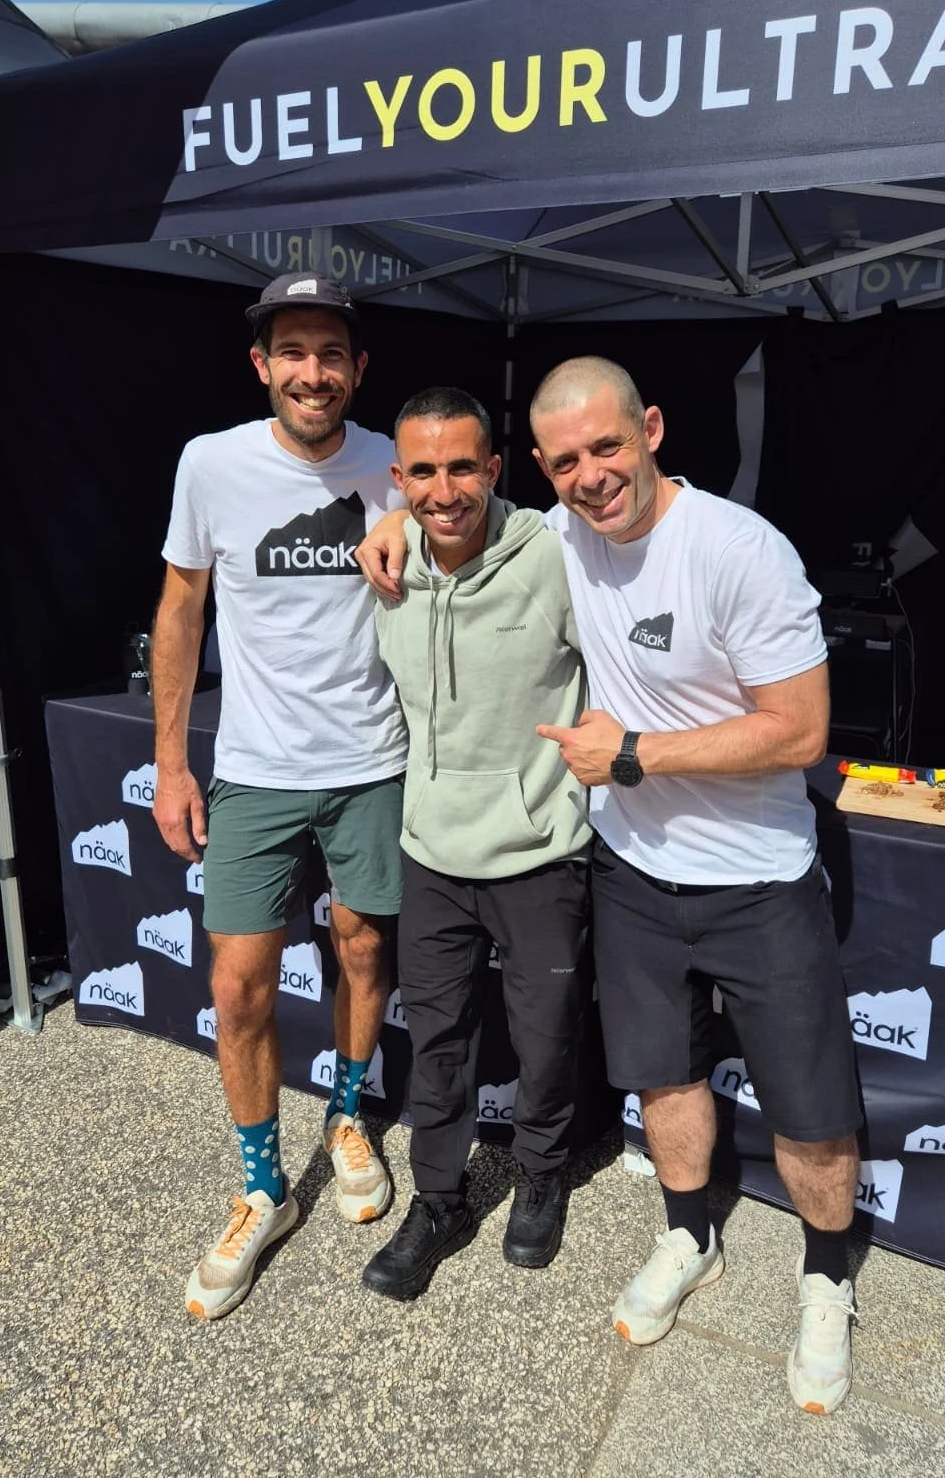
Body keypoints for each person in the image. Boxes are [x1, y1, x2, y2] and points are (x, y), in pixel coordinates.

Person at [357, 357, 863, 1415]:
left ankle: (827, 1275)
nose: (591, 475)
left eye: (608, 446)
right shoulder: (558, 540)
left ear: (655, 430)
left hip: (758, 878)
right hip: (632, 871)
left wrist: (635, 752)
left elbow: (805, 729)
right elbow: (444, 509)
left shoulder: (737, 548)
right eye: (569, 459)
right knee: (667, 1083)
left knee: (812, 1111)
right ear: (539, 468)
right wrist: (391, 520)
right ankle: (690, 1237)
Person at [152, 274, 407, 1321]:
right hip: (254, 768)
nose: (314, 370)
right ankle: (262, 1183)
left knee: (362, 949)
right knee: (242, 983)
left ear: (357, 368)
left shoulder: (396, 462)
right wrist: (172, 761)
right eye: (292, 350)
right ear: (262, 364)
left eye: (331, 352)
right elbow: (179, 607)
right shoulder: (210, 462)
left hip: (374, 764)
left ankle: (347, 1115)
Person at [361, 387, 592, 1301]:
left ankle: (541, 1173)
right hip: (431, 855)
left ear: (495, 469)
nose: (444, 489)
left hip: (540, 853)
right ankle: (441, 1199)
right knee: (439, 1040)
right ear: (398, 478)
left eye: (463, 466)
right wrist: (387, 524)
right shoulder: (387, 561)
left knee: (545, 1037)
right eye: (422, 471)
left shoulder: (556, 555)